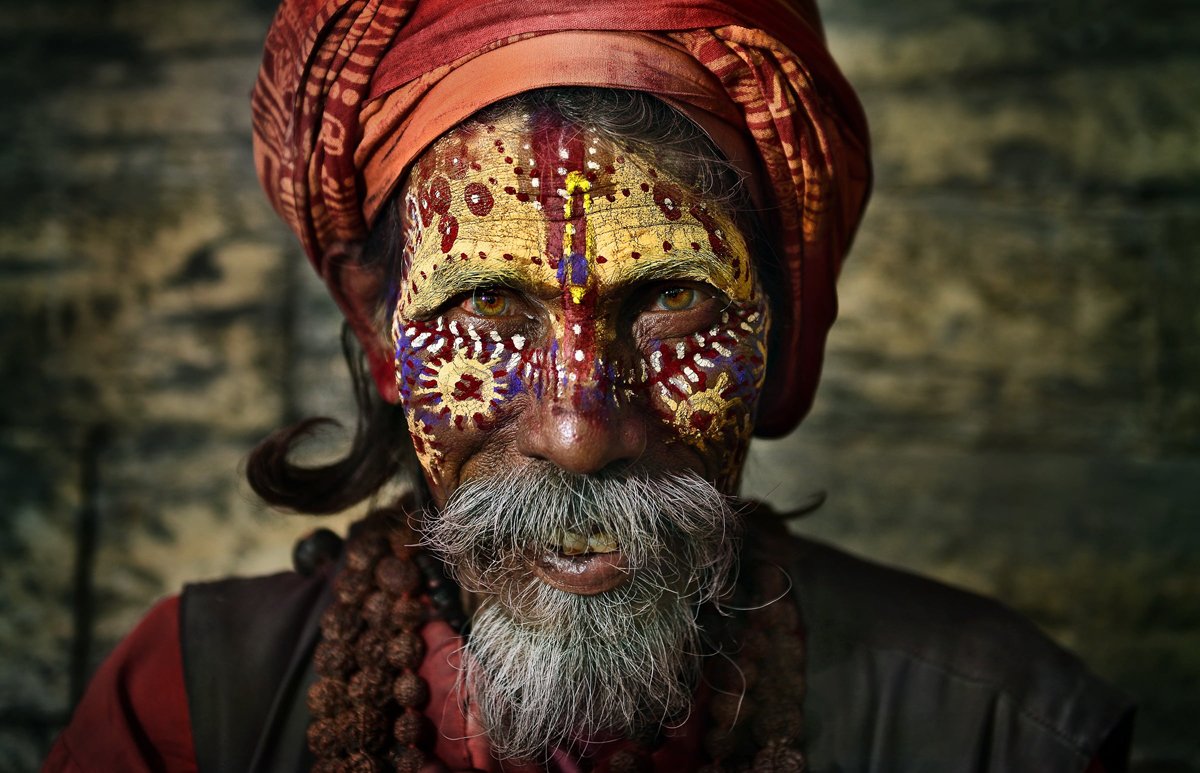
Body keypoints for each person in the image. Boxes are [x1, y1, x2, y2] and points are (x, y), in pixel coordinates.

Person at [45, 1, 1134, 771]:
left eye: (672, 297)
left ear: (776, 322)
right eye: (485, 306)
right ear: (380, 335)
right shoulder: (186, 706)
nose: (579, 430)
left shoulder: (1003, 729)